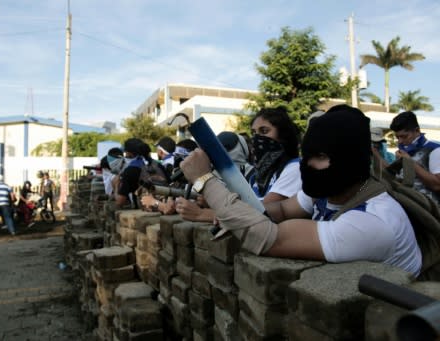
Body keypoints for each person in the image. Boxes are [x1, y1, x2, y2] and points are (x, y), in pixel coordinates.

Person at [179, 105, 422, 277]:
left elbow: (268, 238)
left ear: (352, 161)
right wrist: (235, 213)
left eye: (321, 157)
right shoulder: (327, 191)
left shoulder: (372, 221)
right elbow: (281, 210)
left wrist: (205, 181)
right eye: (307, 155)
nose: (307, 165)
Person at [248, 107, 302, 203]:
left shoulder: (296, 168)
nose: (256, 138)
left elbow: (261, 211)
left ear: (283, 135)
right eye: (253, 133)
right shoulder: (255, 177)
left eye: (264, 131)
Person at [389, 111, 440, 204]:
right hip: (406, 203)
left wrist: (409, 162)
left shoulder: (435, 150)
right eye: (397, 137)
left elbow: (437, 185)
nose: (400, 141)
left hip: (428, 212)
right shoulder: (406, 150)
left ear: (417, 130)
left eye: (404, 136)